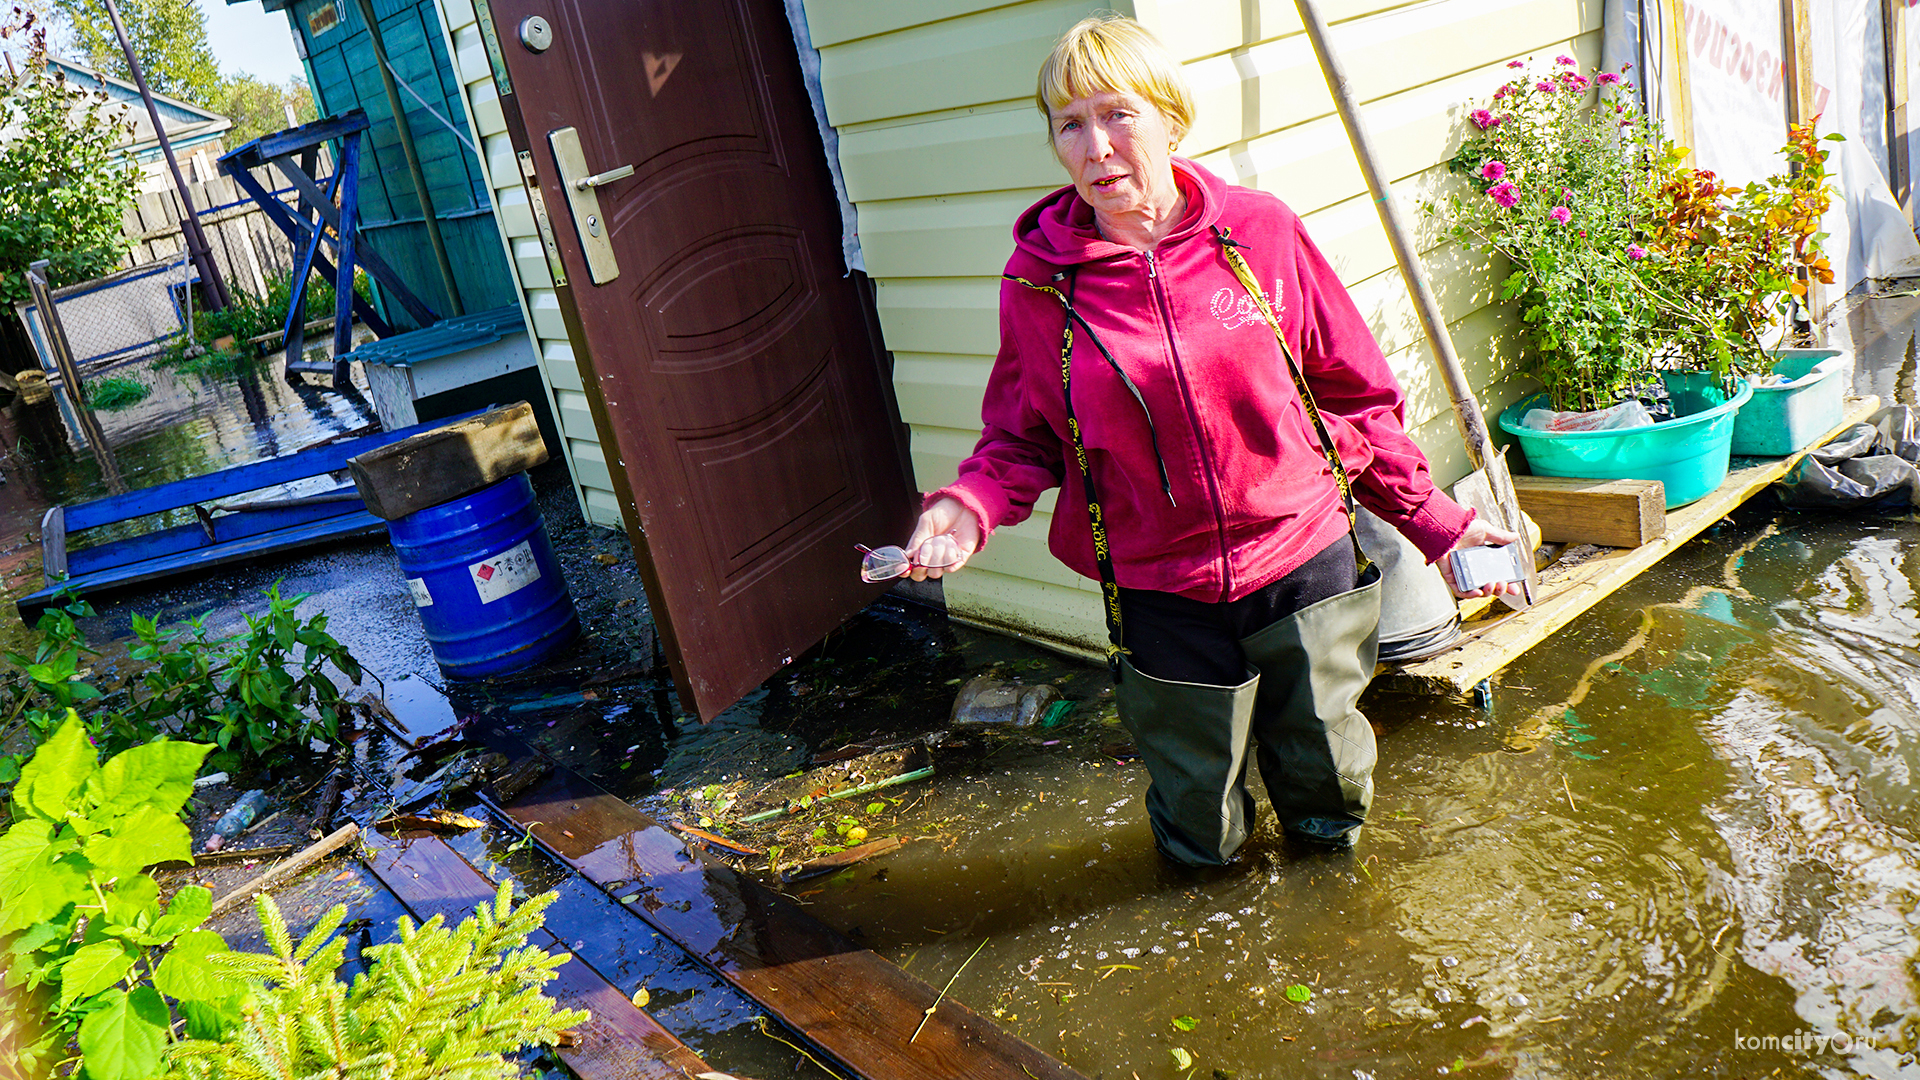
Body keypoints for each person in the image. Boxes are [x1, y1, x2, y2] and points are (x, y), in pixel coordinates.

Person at [898, 14, 1521, 864]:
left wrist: (1433, 519)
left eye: (1118, 114)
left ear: (1169, 118)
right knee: (1198, 812)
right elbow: (1023, 435)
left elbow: (1354, 398)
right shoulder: (1038, 284)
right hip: (1161, 585)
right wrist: (968, 509)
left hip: (1304, 558)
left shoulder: (1259, 233)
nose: (1096, 145)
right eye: (1069, 124)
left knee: (1327, 778)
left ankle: (1330, 898)